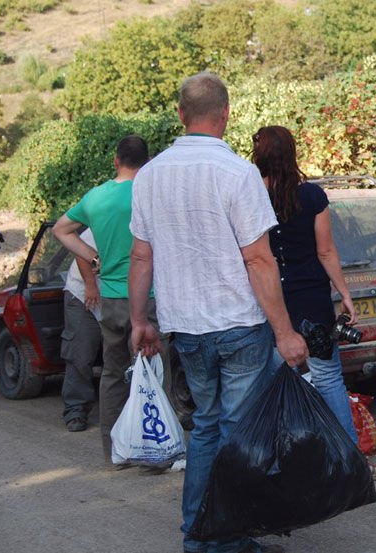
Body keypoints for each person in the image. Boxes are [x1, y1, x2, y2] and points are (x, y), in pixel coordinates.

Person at [128, 72, 307, 553]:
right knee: (235, 431)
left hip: (185, 326)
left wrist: (140, 321)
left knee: (206, 427)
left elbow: (141, 256)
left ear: (182, 115)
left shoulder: (149, 175)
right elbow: (258, 259)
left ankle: (198, 535)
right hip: (239, 326)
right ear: (225, 115)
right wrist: (285, 332)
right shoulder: (238, 174)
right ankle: (226, 537)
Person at [251, 125, 376, 481]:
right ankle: (352, 462)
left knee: (270, 381)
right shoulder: (311, 197)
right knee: (328, 380)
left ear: (258, 156)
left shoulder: (248, 196)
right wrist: (344, 293)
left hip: (267, 301)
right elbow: (325, 250)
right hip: (312, 300)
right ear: (292, 153)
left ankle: (277, 464)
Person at [52, 135, 164, 463]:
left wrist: (92, 255)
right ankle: (158, 448)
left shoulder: (95, 197)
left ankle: (113, 451)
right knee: (156, 371)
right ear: (147, 162)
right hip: (153, 297)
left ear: (116, 161)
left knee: (114, 374)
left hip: (112, 300)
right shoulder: (152, 192)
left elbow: (61, 230)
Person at [59, 229, 102, 432]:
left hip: (115, 297)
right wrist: (90, 285)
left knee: (118, 355)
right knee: (80, 352)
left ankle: (126, 409)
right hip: (82, 294)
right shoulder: (109, 216)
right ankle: (76, 409)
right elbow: (80, 250)